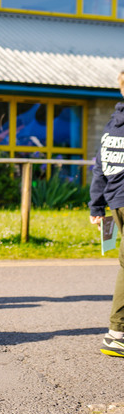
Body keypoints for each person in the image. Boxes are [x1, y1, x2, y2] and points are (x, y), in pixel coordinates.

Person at [89, 70, 124, 358]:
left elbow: (99, 167)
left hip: (116, 202)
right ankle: (117, 334)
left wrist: (96, 205)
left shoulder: (112, 126)